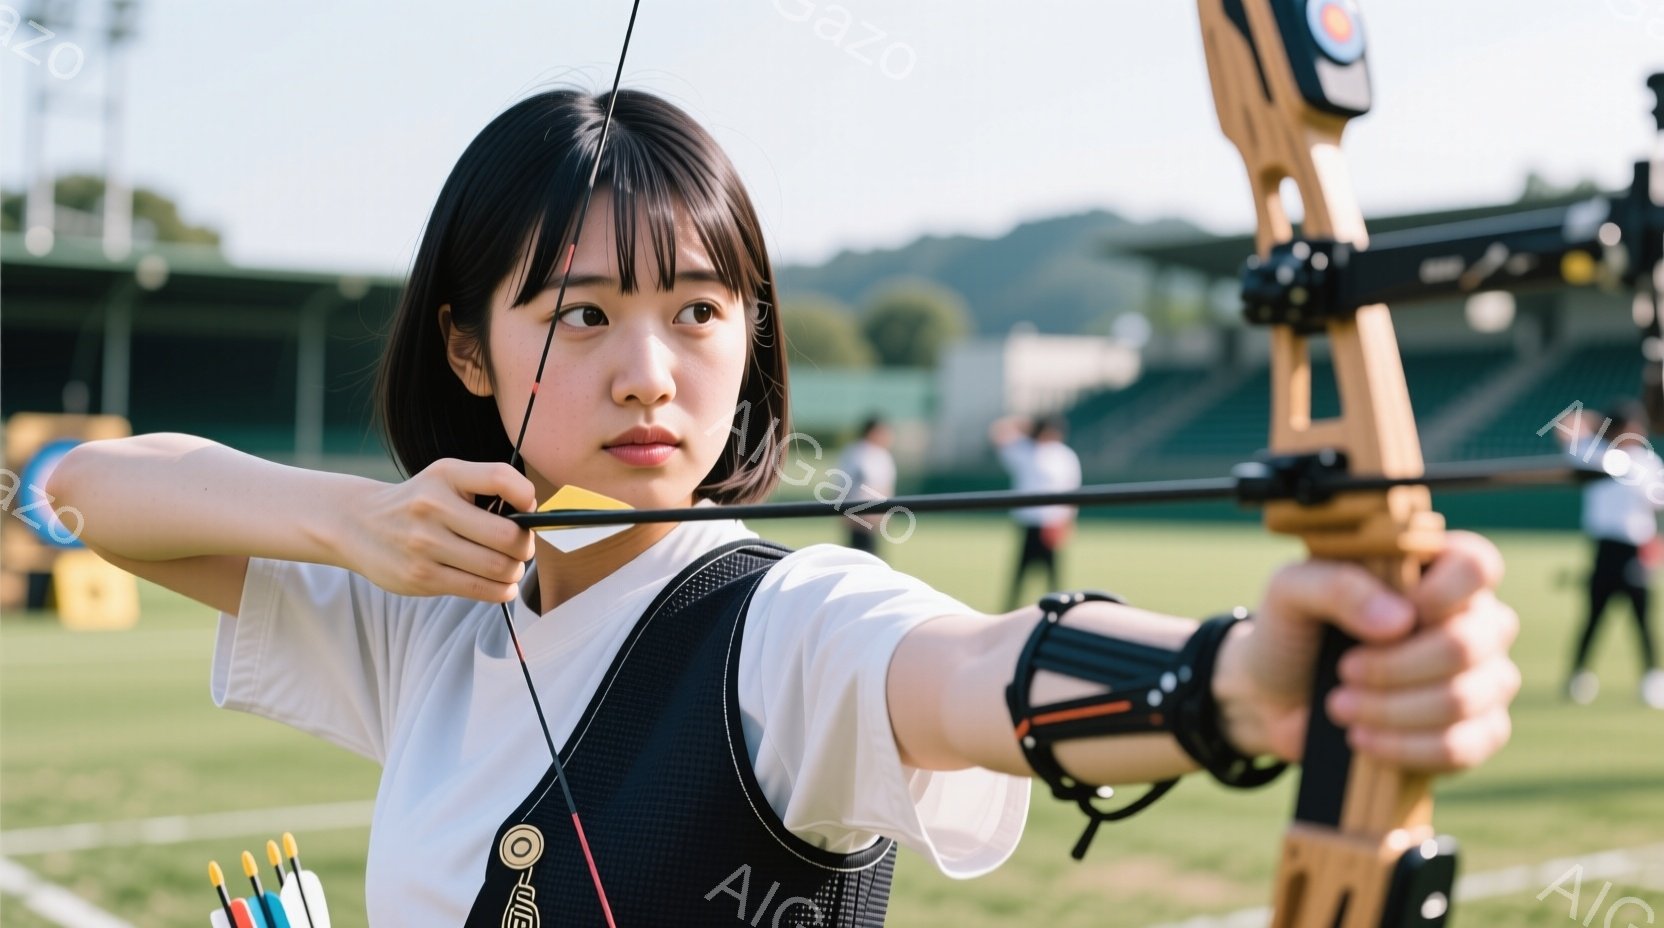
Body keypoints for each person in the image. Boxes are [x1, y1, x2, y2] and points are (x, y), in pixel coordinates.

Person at [48, 89, 1522, 926]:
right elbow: (76, 489)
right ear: (461, 343)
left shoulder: (783, 624)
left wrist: (1238, 682)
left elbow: (969, 671)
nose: (649, 375)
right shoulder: (430, 613)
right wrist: (346, 522)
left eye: (699, 310)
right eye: (578, 315)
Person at [1564, 400, 1664, 709]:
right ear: (1621, 429)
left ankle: (1651, 679)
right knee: (1594, 617)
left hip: (1635, 549)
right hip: (1605, 549)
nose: (1640, 432)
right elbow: (1567, 423)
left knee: (1642, 620)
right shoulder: (1593, 454)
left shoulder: (1646, 461)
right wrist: (1596, 422)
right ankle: (1578, 676)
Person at [990, 415, 1081, 610]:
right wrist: (1022, 424)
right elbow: (998, 433)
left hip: (1052, 522)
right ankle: (1010, 609)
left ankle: (1059, 610)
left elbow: (1072, 488)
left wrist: (1067, 521)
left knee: (1054, 574)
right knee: (1020, 572)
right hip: (1029, 521)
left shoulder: (1064, 455)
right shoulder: (1024, 450)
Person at [834, 415, 896, 557]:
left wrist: (884, 514)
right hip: (857, 516)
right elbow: (843, 485)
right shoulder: (855, 453)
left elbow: (885, 488)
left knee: (874, 558)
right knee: (856, 558)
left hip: (874, 517)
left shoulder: (882, 455)